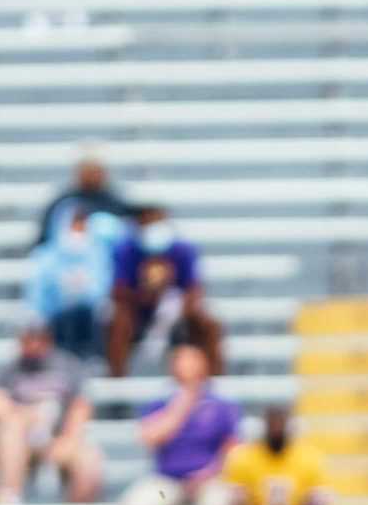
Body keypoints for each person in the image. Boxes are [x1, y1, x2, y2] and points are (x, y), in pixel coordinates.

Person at [119, 332, 241, 505]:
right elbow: (150, 437)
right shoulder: (160, 403)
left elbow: (233, 450)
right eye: (181, 359)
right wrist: (183, 404)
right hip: (166, 482)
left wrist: (209, 473)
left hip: (208, 481)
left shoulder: (221, 405)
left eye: (192, 359)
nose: (187, 365)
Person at [0, 319, 103, 505]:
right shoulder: (9, 369)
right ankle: (10, 493)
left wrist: (69, 438)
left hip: (59, 437)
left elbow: (81, 407)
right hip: (22, 441)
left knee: (89, 460)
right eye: (27, 339)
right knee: (12, 428)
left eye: (37, 338)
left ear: (48, 339)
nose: (32, 344)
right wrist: (26, 415)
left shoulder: (67, 366)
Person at [106, 210, 220, 379]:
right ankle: (117, 380)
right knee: (117, 323)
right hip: (138, 312)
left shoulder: (183, 250)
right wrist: (146, 293)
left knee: (208, 325)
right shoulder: (126, 250)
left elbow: (194, 290)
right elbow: (118, 292)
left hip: (176, 311)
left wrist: (174, 309)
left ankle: (213, 381)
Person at [22, 210, 110, 360]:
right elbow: (37, 292)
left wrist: (85, 291)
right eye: (74, 226)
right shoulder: (47, 255)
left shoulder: (97, 253)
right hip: (57, 317)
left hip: (88, 315)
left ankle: (92, 358)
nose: (77, 232)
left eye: (82, 227)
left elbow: (102, 285)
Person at [30, 146, 143, 253]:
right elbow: (45, 242)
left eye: (96, 171)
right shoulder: (63, 203)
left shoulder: (115, 202)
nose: (93, 175)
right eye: (88, 170)